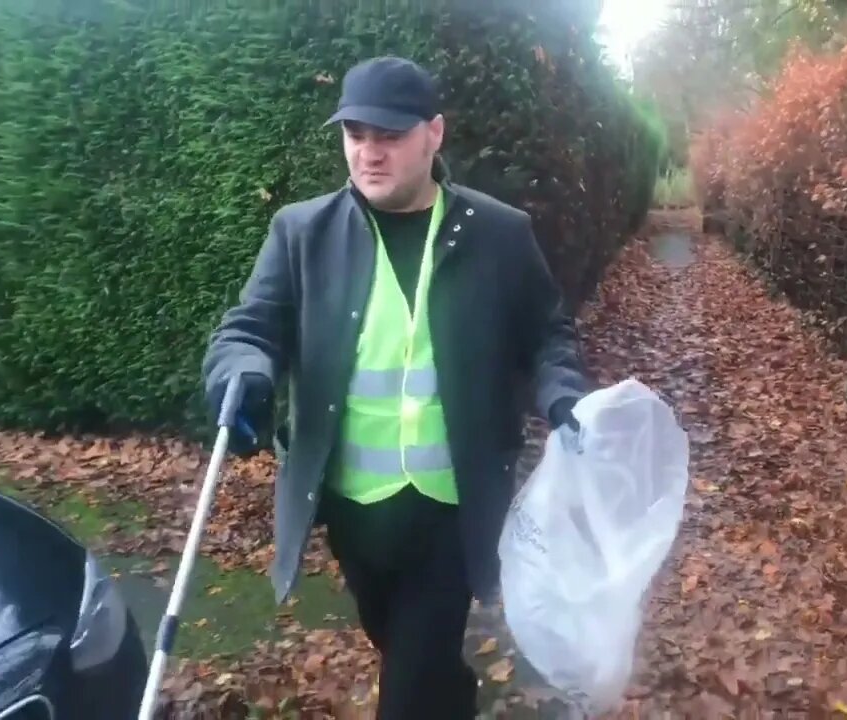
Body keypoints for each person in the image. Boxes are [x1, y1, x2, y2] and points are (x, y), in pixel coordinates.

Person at [200, 55, 591, 719]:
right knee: (404, 647)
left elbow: (549, 335)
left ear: (433, 134)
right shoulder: (303, 233)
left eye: (388, 136)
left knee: (410, 686)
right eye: (355, 135)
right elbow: (248, 330)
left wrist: (562, 394)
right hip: (353, 511)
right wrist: (243, 373)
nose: (369, 153)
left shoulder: (499, 233)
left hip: (451, 509)